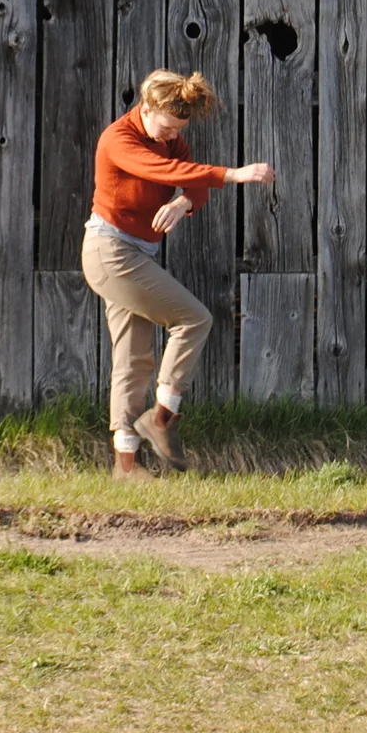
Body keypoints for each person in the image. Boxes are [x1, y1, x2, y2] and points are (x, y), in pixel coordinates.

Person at [82, 70, 274, 478]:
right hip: (110, 252)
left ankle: (126, 468)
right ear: (146, 109)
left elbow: (191, 181)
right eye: (167, 127)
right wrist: (233, 174)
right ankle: (161, 419)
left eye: (178, 130)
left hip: (137, 252)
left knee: (133, 358)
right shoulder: (119, 139)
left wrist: (182, 203)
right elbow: (163, 171)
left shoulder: (170, 140)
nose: (172, 136)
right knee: (194, 318)